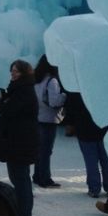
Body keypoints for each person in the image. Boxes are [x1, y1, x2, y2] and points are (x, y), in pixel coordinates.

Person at [0, 60, 39, 216]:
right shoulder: (20, 89)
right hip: (18, 141)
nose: (13, 73)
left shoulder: (23, 91)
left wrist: (1, 100)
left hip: (20, 142)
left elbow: (6, 110)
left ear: (24, 72)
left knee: (20, 177)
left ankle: (24, 214)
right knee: (19, 176)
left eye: (16, 71)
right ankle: (22, 210)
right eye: (12, 71)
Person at [63, 91, 108, 198]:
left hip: (85, 129)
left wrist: (71, 125)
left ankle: (94, 188)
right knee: (106, 160)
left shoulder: (75, 92)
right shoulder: (100, 88)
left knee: (91, 160)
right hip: (103, 129)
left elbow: (71, 109)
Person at [33, 55, 66, 188]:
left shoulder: (36, 79)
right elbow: (54, 101)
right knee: (46, 151)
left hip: (37, 118)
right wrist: (64, 96)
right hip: (48, 120)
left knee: (39, 150)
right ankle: (45, 179)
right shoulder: (52, 81)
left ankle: (36, 176)